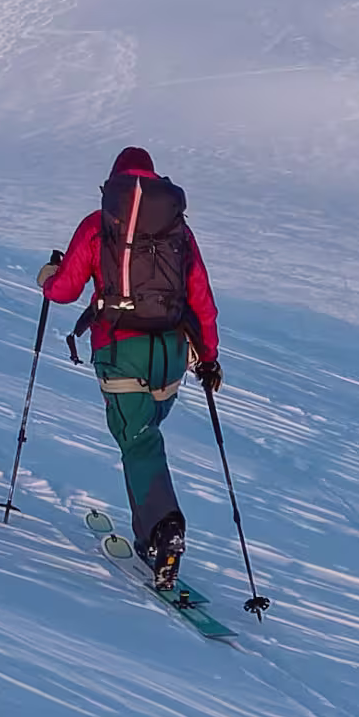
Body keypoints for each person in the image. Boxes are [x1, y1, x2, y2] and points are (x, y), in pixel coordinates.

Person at [37, 146, 222, 594]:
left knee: (137, 440)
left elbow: (63, 291)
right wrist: (210, 356)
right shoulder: (178, 229)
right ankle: (152, 534)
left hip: (122, 349)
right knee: (146, 434)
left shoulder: (101, 223)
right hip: (172, 355)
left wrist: (48, 276)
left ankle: (163, 530)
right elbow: (200, 296)